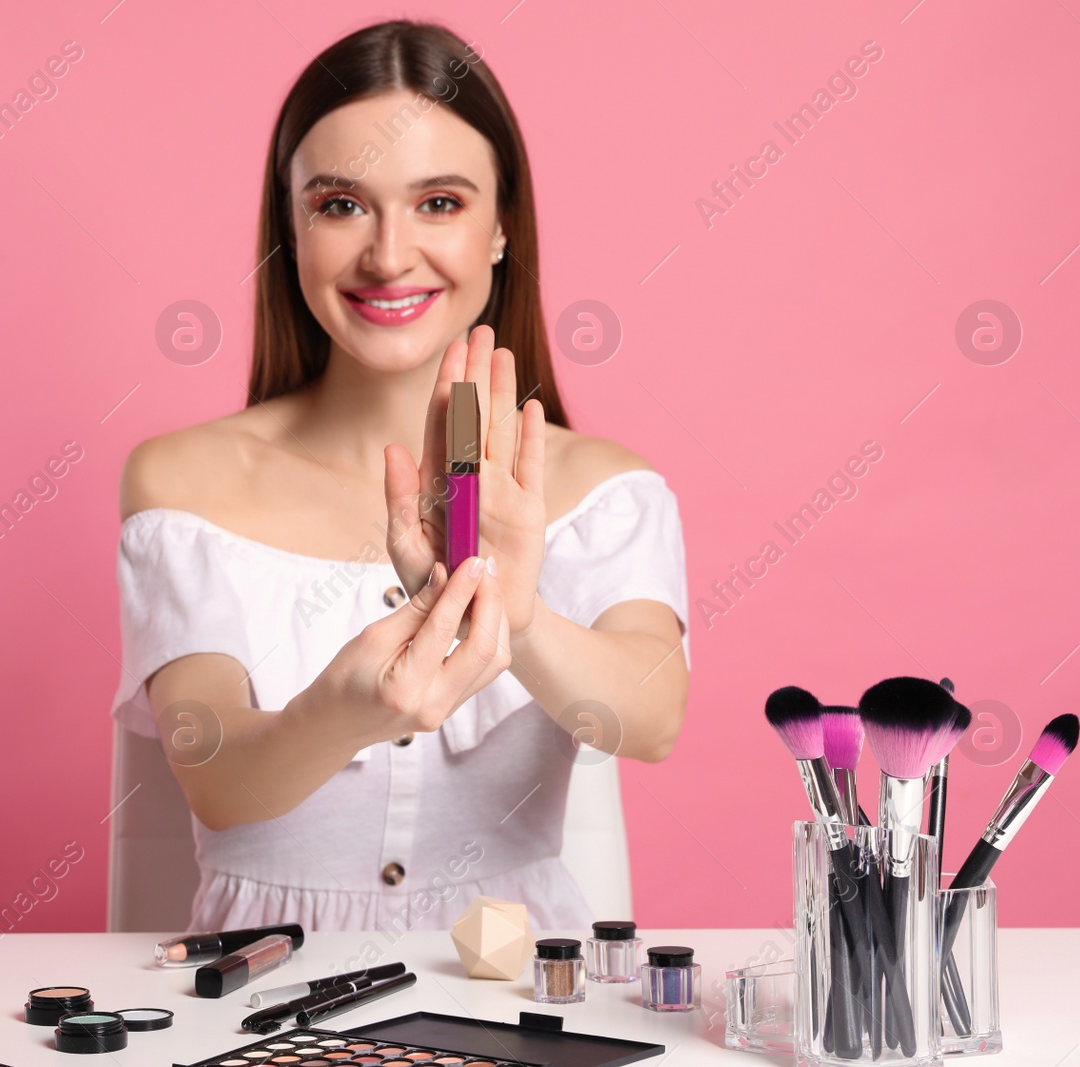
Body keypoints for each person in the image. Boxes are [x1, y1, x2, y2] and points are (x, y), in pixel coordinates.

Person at [111, 20, 688, 933]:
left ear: (502, 228)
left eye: (440, 203)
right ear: (291, 228)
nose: (386, 254)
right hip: (263, 1005)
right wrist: (344, 709)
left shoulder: (601, 488)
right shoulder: (183, 477)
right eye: (341, 204)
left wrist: (513, 605)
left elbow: (648, 721)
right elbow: (217, 778)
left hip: (521, 1001)